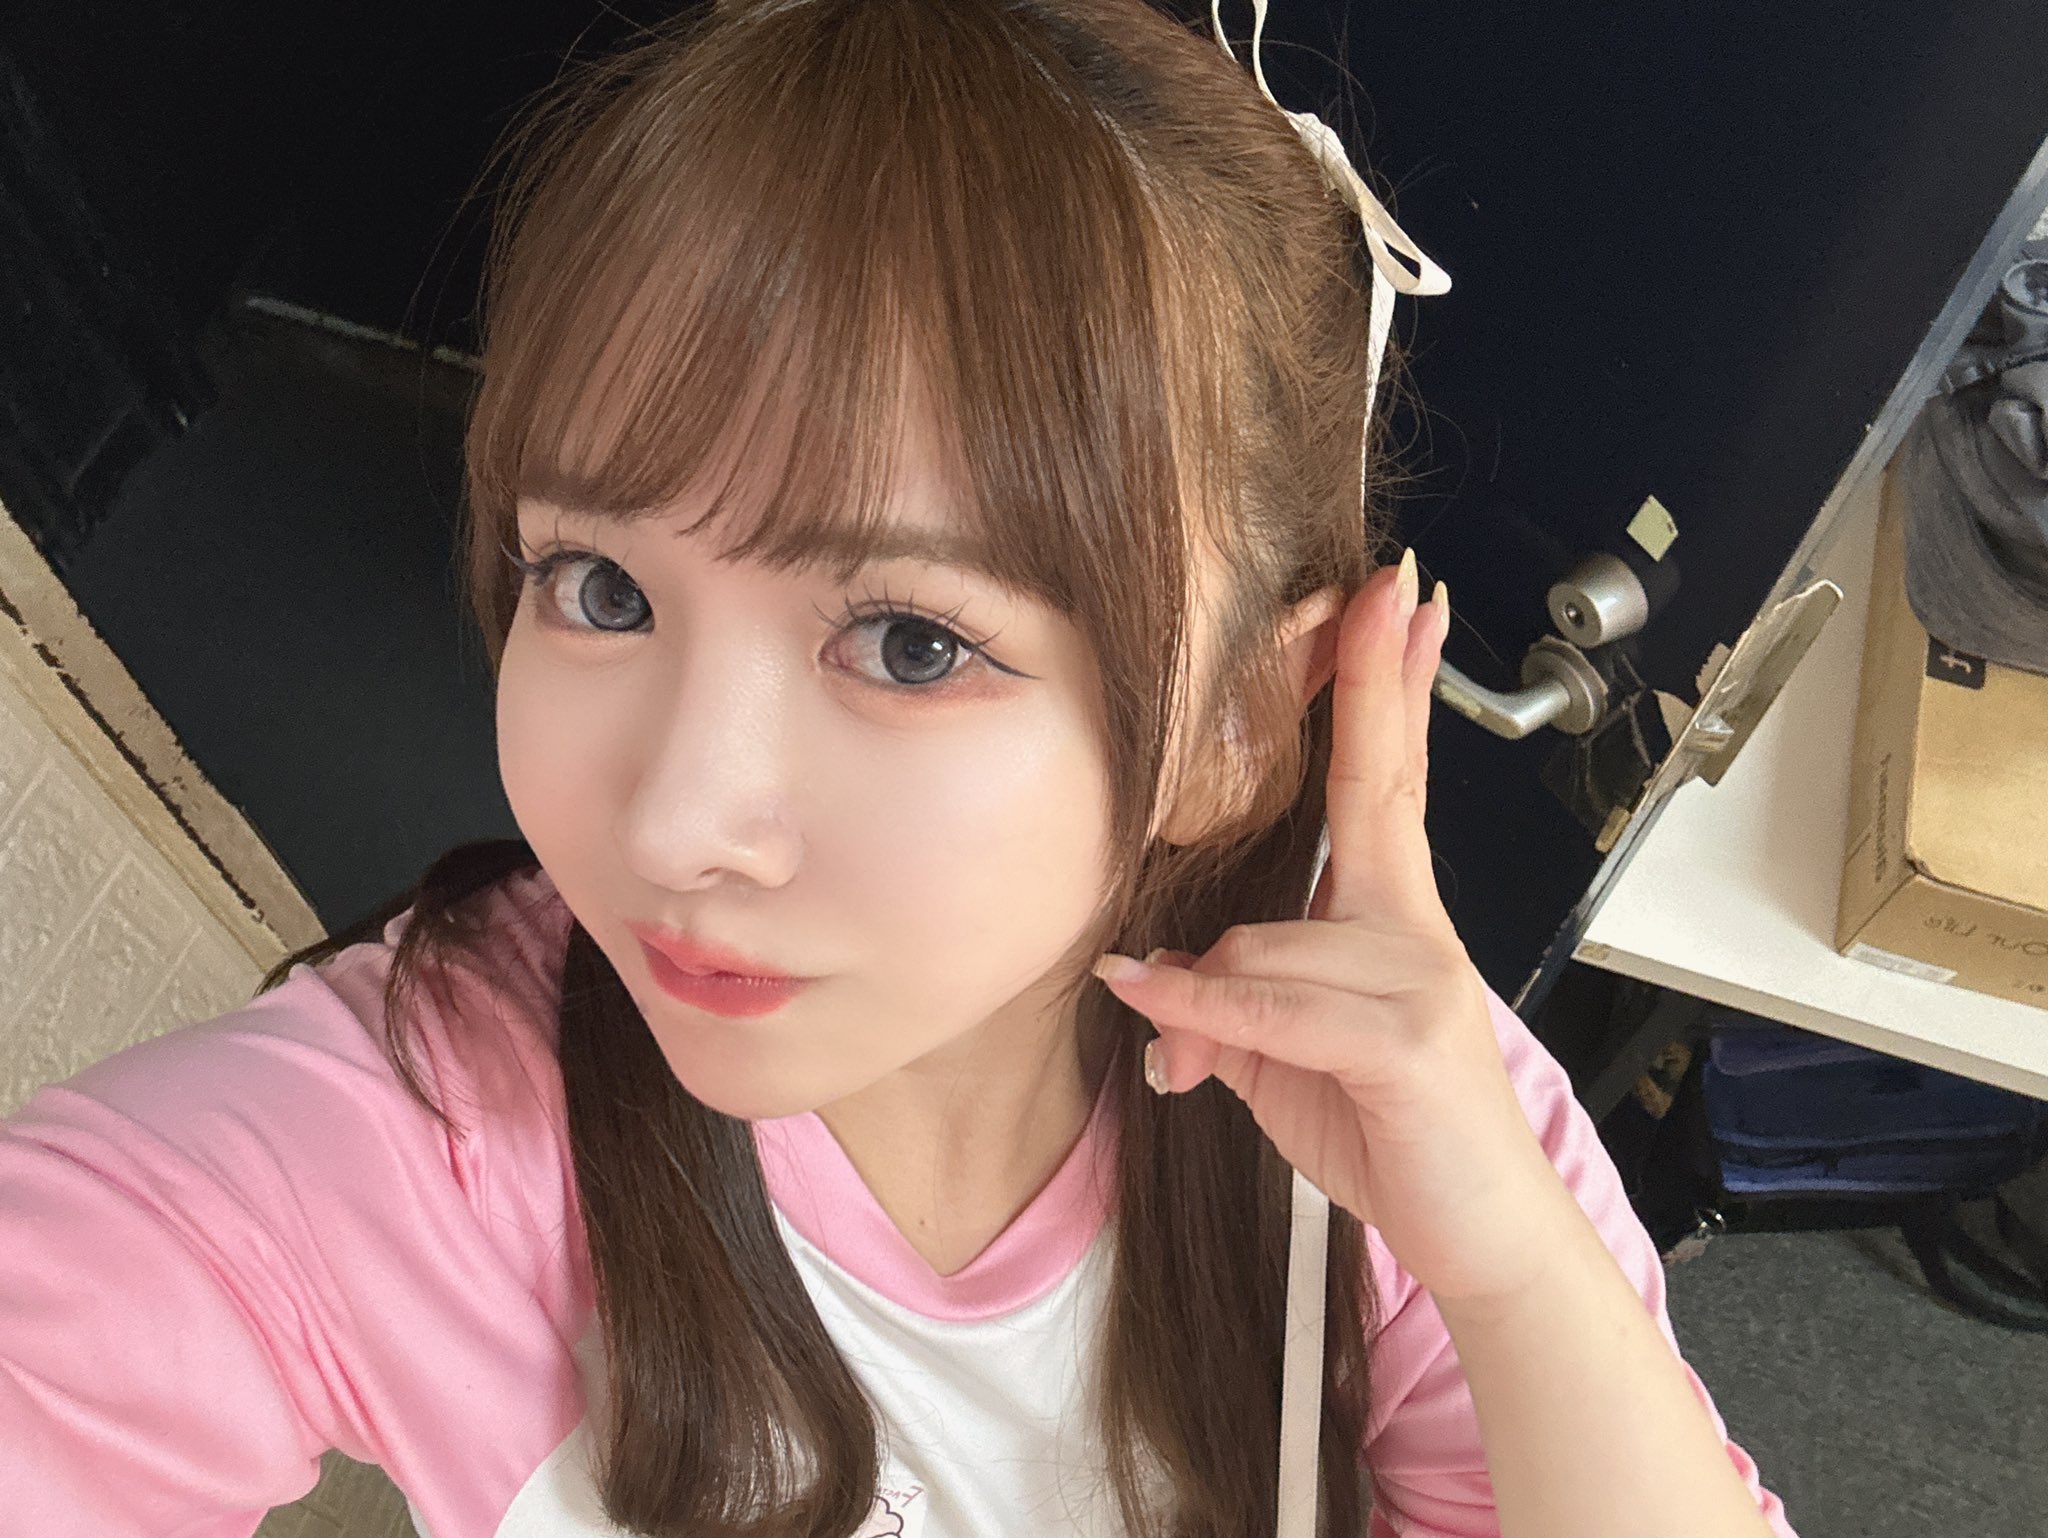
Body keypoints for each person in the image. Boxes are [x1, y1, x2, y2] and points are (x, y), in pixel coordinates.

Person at [0, 2, 1800, 1535]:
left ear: (1236, 722)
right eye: (601, 585)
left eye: (913, 643)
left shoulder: (1395, 1119)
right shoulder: (418, 1141)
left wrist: (1512, 1269)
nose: (675, 824)